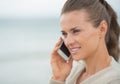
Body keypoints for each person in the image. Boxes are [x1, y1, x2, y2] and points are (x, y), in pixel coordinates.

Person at [49, 0, 120, 84]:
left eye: (76, 31)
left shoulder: (114, 80)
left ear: (102, 29)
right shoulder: (75, 72)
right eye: (65, 34)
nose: (68, 42)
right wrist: (58, 78)